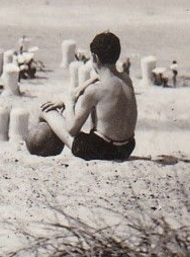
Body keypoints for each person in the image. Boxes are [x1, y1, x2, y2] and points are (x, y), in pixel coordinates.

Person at [38, 31, 137, 161]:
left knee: (45, 111)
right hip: (126, 149)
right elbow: (100, 77)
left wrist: (69, 102)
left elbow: (72, 129)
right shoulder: (126, 79)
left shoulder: (95, 91)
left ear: (94, 57)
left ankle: (39, 145)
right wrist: (80, 88)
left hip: (102, 150)